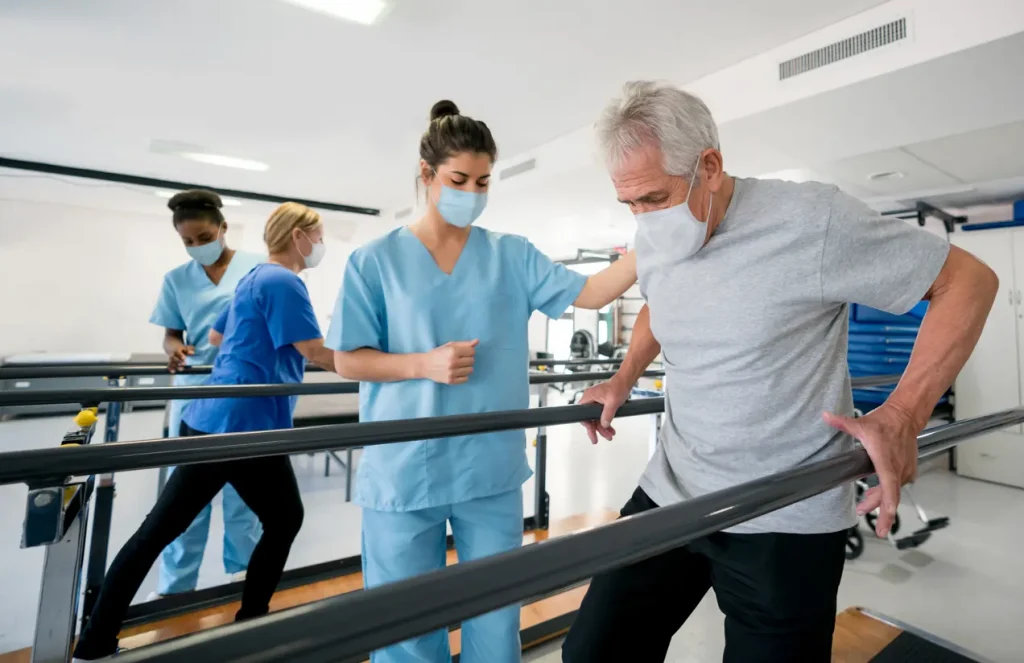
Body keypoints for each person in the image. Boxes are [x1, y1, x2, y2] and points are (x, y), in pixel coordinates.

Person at [559, 81, 999, 663]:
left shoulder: (812, 220)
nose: (643, 217)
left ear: (709, 166)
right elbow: (663, 304)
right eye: (630, 203)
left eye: (654, 197)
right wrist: (623, 375)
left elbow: (968, 283)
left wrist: (903, 414)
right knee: (592, 653)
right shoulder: (656, 232)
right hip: (672, 490)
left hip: (785, 510)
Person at [326, 100, 637, 663]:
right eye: (459, 179)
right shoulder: (374, 261)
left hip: (487, 467)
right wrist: (422, 364)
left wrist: (654, 240)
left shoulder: (510, 255)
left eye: (484, 181)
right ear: (427, 175)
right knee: (405, 627)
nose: (472, 191)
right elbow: (347, 359)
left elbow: (592, 293)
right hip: (403, 467)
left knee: (496, 622)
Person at [73, 202, 335, 661]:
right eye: (318, 236)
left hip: (213, 417)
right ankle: (250, 622)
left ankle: (95, 643)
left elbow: (215, 339)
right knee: (281, 518)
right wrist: (390, 366)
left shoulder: (254, 278)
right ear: (299, 236)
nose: (319, 245)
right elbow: (315, 351)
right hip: (243, 425)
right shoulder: (282, 280)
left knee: (163, 531)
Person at [148, 189, 264, 598]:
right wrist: (173, 350)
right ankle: (175, 590)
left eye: (203, 237)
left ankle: (245, 581)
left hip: (243, 392)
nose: (197, 247)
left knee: (243, 497)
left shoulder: (257, 268)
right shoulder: (176, 280)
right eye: (188, 242)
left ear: (222, 228)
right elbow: (170, 335)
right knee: (185, 500)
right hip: (194, 392)